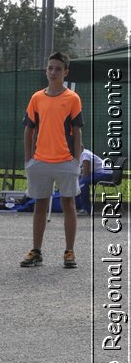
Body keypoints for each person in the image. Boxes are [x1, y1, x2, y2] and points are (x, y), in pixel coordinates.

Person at [20, 51, 82, 269]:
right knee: (40, 205)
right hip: (39, 162)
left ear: (65, 72)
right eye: (50, 68)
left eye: (57, 68)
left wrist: (76, 160)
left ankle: (69, 252)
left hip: (66, 162)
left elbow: (77, 130)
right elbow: (28, 130)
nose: (53, 72)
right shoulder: (36, 98)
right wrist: (29, 159)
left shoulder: (73, 98)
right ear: (46, 70)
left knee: (69, 204)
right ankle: (36, 251)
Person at [77, 148, 113, 214]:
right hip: (99, 173)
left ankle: (87, 209)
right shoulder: (81, 155)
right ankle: (79, 206)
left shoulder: (85, 155)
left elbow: (85, 173)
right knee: (79, 181)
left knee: (82, 182)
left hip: (106, 174)